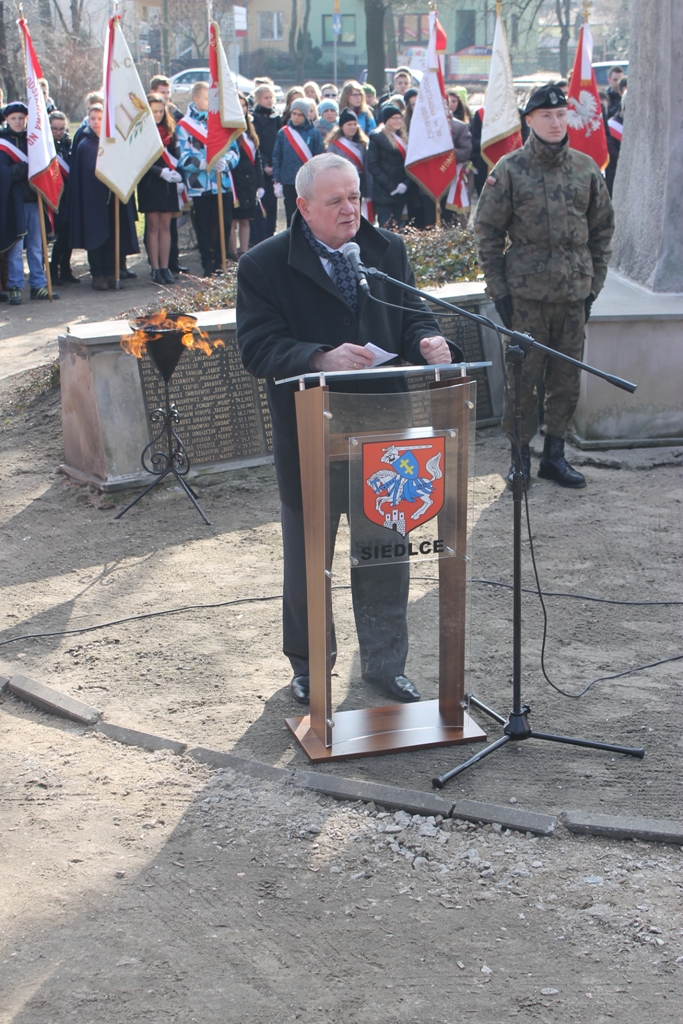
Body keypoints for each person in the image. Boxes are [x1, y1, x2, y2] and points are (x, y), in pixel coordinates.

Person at [236, 152, 459, 705]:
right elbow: (258, 349)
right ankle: (310, 666)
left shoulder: (386, 252)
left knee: (386, 552)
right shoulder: (264, 264)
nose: (349, 210)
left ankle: (385, 664)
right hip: (310, 435)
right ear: (304, 207)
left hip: (386, 435)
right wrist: (318, 358)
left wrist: (429, 342)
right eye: (335, 201)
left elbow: (413, 317)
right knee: (311, 562)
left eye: (354, 197)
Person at [473, 83, 614, 490]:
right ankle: (519, 458)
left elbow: (602, 230)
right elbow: (487, 233)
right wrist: (499, 292)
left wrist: (593, 285)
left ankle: (554, 456)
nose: (555, 122)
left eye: (561, 114)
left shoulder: (587, 168)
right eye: (546, 116)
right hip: (526, 298)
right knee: (523, 380)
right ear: (530, 121)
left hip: (573, 295)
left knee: (567, 378)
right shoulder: (510, 170)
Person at [67, 104, 139, 290]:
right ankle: (97, 274)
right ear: (88, 120)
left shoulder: (113, 141)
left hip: (111, 198)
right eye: (93, 119)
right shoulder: (84, 145)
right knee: (95, 237)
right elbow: (84, 174)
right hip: (92, 200)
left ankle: (111, 273)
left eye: (100, 118)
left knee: (112, 236)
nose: (96, 122)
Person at [176, 80, 240, 277]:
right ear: (196, 99)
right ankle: (208, 264)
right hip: (199, 185)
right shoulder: (184, 126)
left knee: (224, 223)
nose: (211, 102)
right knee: (203, 226)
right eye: (206, 98)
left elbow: (234, 151)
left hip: (222, 183)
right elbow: (182, 156)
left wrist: (226, 162)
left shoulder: (220, 122)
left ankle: (222, 262)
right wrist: (203, 163)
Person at [0, 101, 56, 304]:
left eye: (21, 119)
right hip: (14, 202)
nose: (17, 122)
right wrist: (25, 168)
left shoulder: (33, 140)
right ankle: (16, 285)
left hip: (35, 199)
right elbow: (5, 174)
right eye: (13, 118)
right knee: (16, 247)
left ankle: (38, 285)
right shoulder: (2, 142)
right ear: (6, 120)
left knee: (36, 246)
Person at [137, 94, 182, 284]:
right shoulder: (141, 131)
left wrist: (179, 174)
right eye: (154, 111)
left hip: (168, 184)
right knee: (153, 226)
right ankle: (155, 268)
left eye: (161, 111)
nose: (157, 115)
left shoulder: (170, 131)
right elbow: (140, 160)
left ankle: (165, 268)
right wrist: (159, 172)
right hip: (150, 183)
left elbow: (177, 154)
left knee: (166, 226)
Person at [272, 98, 325, 227]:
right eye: (293, 113)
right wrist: (276, 180)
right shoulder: (283, 133)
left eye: (300, 114)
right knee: (291, 216)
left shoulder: (314, 133)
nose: (296, 117)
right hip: (289, 180)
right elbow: (277, 157)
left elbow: (320, 157)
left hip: (309, 182)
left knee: (309, 215)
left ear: (306, 116)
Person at [229, 93, 264, 258]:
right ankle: (232, 251)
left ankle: (244, 251)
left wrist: (260, 183)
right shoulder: (229, 129)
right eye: (238, 105)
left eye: (244, 105)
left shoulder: (250, 129)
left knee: (246, 219)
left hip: (250, 180)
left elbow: (257, 159)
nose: (242, 109)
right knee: (233, 220)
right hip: (235, 181)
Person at [48, 110, 78, 285]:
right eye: (54, 129)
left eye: (62, 128)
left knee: (68, 235)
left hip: (68, 197)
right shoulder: (46, 147)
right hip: (53, 197)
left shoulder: (68, 145)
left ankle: (65, 268)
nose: (58, 132)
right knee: (58, 236)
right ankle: (53, 270)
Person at [367, 104, 408, 229]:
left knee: (399, 227)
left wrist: (406, 183)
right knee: (386, 227)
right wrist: (391, 186)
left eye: (399, 117)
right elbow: (373, 165)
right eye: (393, 118)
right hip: (384, 191)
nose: (398, 121)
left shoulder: (404, 138)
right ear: (386, 120)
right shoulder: (377, 138)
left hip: (401, 190)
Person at [250, 83, 281, 244]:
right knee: (259, 204)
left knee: (272, 205)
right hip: (259, 166)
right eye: (265, 98)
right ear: (258, 99)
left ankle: (271, 235)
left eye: (271, 97)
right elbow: (254, 144)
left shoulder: (276, 118)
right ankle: (258, 237)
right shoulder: (253, 119)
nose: (269, 101)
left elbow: (279, 142)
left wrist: (274, 164)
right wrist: (265, 164)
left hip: (274, 166)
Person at [325, 109, 369, 199]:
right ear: (342, 126)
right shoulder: (334, 144)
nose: (352, 127)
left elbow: (367, 168)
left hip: (358, 183)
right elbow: (330, 166)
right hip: (340, 183)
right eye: (349, 124)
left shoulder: (362, 143)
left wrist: (369, 192)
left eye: (354, 124)